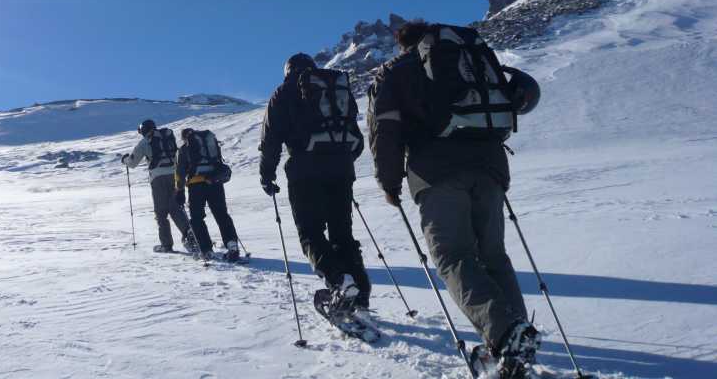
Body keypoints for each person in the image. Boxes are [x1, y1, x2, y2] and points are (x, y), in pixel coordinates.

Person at [367, 19, 540, 377]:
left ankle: (506, 335)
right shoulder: (471, 58)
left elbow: (385, 127)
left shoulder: (397, 70)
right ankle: (515, 342)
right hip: (490, 166)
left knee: (453, 256)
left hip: (437, 171)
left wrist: (389, 181)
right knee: (493, 256)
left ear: (405, 43)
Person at [258, 53, 371, 319]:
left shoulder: (283, 92)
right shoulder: (334, 89)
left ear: (287, 71)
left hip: (304, 171)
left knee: (310, 232)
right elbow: (353, 134)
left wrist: (267, 175)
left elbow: (271, 139)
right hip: (341, 169)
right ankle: (360, 292)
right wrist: (341, 163)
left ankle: (340, 282)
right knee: (342, 233)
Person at [122, 119, 194, 254]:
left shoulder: (145, 142)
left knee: (161, 212)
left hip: (158, 178)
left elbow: (132, 163)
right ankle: (190, 238)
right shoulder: (167, 137)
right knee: (175, 208)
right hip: (174, 175)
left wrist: (124, 159)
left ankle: (166, 245)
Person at [174, 128, 240, 261]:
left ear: (184, 138)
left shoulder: (184, 149)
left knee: (197, 218)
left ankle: (206, 250)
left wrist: (179, 191)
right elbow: (219, 162)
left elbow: (180, 172)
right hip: (214, 181)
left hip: (196, 185)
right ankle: (232, 245)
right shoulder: (211, 145)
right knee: (221, 214)